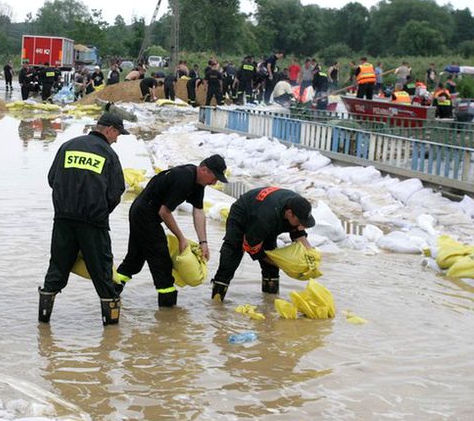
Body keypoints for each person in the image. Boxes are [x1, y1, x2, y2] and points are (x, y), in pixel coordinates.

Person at [39, 113, 128, 325]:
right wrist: (101, 210)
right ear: (109, 130)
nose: (117, 139)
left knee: (57, 268)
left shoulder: (67, 146)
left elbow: (52, 179)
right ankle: (111, 330)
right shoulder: (109, 153)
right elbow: (116, 192)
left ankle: (43, 322)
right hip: (93, 222)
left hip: (63, 220)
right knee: (103, 273)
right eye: (117, 135)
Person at [114, 155, 228, 307]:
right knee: (161, 261)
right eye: (214, 178)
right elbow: (164, 212)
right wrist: (181, 238)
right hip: (145, 214)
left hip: (142, 211)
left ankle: (111, 293)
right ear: (203, 169)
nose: (214, 183)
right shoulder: (184, 179)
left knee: (134, 260)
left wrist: (204, 243)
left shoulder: (198, 182)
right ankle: (168, 314)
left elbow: (199, 211)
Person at [211, 187, 315, 302]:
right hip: (243, 215)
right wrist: (283, 264)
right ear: (289, 213)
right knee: (231, 258)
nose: (302, 225)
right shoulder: (265, 218)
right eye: (300, 222)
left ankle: (270, 304)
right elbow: (253, 248)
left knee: (271, 268)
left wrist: (310, 254)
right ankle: (216, 303)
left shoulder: (299, 207)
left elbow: (299, 232)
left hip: (267, 215)